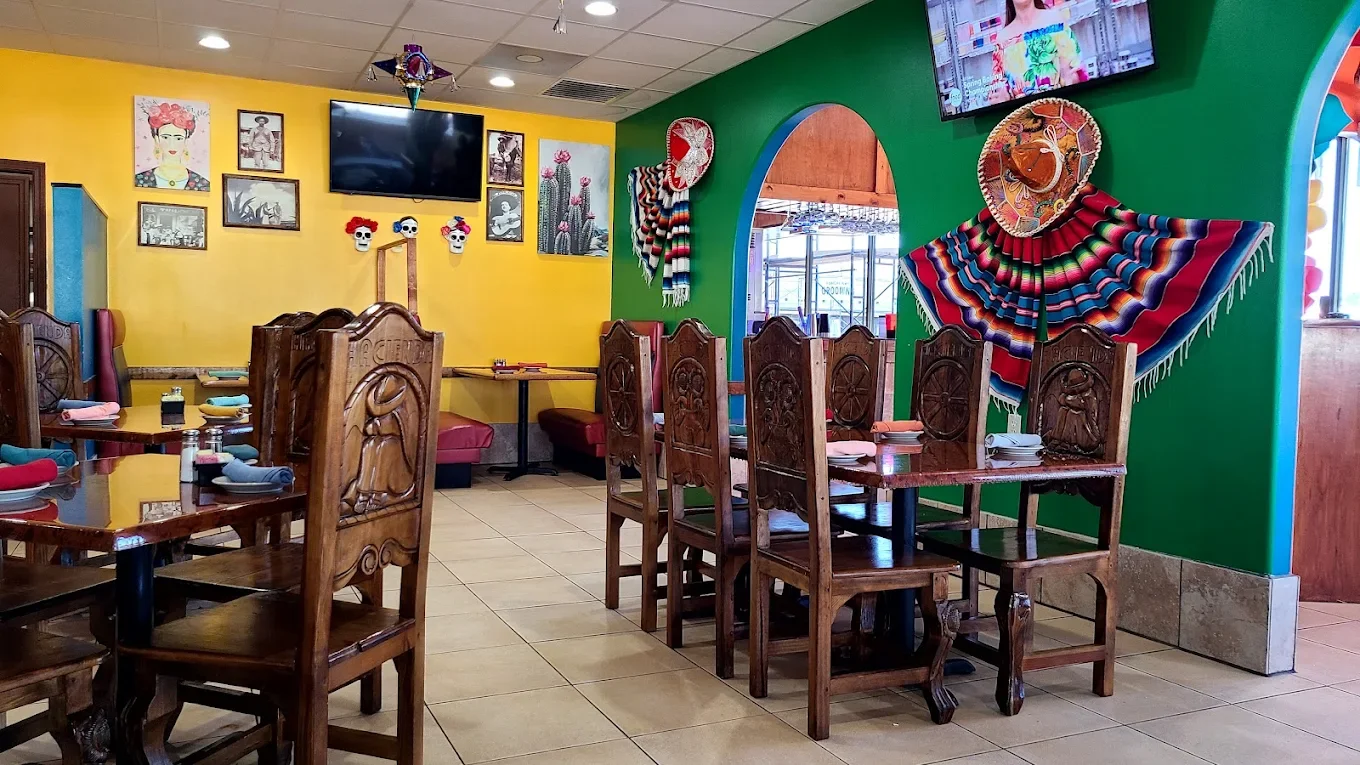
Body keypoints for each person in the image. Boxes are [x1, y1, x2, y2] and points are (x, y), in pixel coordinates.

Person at [991, 0, 1089, 104]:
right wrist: (1002, 98)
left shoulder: (1055, 20)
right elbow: (997, 93)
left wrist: (1071, 78)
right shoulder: (1002, 39)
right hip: (1023, 117)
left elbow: (1077, 71)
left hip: (1061, 111)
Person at [135, 102, 210, 190]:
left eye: (178, 138)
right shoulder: (140, 180)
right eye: (165, 137)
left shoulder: (203, 184)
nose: (172, 144)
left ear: (186, 141)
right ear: (157, 139)